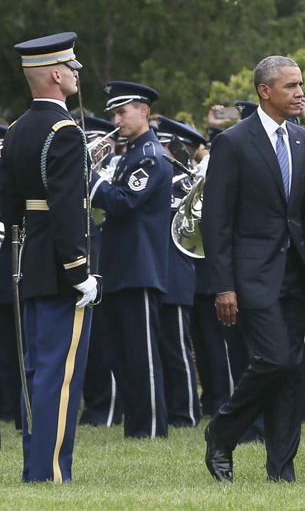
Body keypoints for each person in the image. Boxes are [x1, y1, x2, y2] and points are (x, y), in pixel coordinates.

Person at [202, 55, 305, 483]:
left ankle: (281, 471)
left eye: (301, 85)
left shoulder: (303, 139)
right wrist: (222, 285)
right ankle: (223, 432)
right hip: (252, 275)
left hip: (298, 275)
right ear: (265, 91)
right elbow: (216, 220)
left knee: (290, 370)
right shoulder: (233, 141)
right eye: (291, 86)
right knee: (276, 359)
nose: (300, 93)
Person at [0, 32, 98, 482]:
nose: (77, 73)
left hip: (29, 261)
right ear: (56, 75)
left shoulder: (17, 129)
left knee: (38, 370)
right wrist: (79, 270)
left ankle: (35, 467)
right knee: (59, 375)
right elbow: (67, 206)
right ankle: (50, 471)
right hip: (60, 267)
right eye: (72, 67)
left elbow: (9, 205)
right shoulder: (64, 132)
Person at [90, 82, 173, 439]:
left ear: (143, 110)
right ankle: (137, 427)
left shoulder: (150, 155)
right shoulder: (130, 154)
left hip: (140, 267)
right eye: (113, 114)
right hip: (120, 266)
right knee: (121, 355)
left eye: (121, 112)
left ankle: (151, 427)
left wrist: (88, 177)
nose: (116, 120)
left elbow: (124, 202)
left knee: (141, 355)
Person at [155, 116, 204, 428]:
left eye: (163, 144)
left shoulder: (184, 182)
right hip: (159, 272)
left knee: (176, 347)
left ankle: (185, 412)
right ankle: (169, 408)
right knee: (162, 347)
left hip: (174, 273)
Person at [77, 115, 123, 427]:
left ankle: (108, 405)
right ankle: (95, 402)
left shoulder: (116, 167)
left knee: (105, 335)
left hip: (107, 255)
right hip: (85, 249)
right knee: (90, 339)